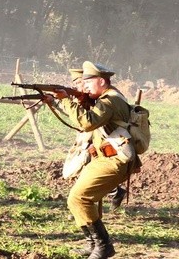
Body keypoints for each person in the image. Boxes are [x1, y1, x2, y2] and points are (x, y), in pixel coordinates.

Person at [46, 61, 135, 259]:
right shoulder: (105, 98)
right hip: (103, 158)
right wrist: (60, 101)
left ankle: (104, 246)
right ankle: (93, 243)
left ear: (102, 81)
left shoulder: (110, 101)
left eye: (88, 82)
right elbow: (84, 120)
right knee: (75, 200)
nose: (84, 87)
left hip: (114, 160)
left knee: (79, 198)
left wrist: (66, 100)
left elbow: (87, 123)